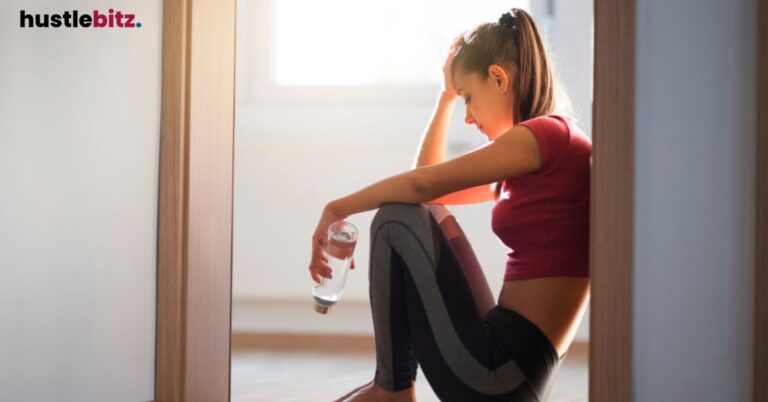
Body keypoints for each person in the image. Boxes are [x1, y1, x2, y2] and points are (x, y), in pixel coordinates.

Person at [308, 8, 591, 402]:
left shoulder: (545, 135)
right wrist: (445, 95)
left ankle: (393, 390)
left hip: (502, 375)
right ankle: (392, 387)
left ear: (499, 78)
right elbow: (424, 191)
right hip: (510, 366)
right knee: (414, 213)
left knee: (394, 221)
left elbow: (421, 183)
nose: (469, 117)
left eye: (468, 98)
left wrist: (337, 208)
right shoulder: (546, 148)